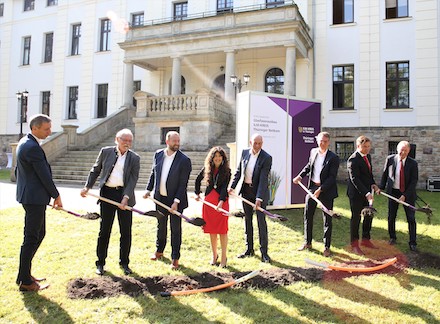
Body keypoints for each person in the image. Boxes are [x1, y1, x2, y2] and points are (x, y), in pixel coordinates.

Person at [80, 129, 140, 276]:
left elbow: (132, 180)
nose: (127, 143)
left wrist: (125, 198)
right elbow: (96, 170)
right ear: (116, 139)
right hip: (107, 194)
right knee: (104, 230)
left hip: (125, 196)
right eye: (124, 140)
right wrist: (87, 187)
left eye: (129, 141)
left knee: (126, 231)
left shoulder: (135, 158)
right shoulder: (105, 152)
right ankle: (100, 263)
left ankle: (124, 263)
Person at [15, 114, 63, 292]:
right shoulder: (31, 147)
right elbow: (43, 174)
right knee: (31, 238)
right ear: (34, 128)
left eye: (50, 128)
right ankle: (25, 281)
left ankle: (24, 274)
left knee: (38, 234)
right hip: (34, 199)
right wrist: (56, 195)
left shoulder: (26, 142)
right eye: (46, 129)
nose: (50, 132)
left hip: (31, 196)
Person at [143, 131, 192, 270]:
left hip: (176, 200)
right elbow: (154, 173)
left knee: (175, 229)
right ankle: (159, 251)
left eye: (178, 141)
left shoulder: (184, 160)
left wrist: (176, 202)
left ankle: (175, 258)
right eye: (174, 141)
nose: (177, 143)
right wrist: (148, 189)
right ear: (167, 141)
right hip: (160, 199)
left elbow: (183, 184)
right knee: (161, 226)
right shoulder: (158, 154)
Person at [293, 132, 340, 257]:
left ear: (328, 142)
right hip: (312, 188)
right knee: (308, 215)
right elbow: (309, 166)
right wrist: (300, 176)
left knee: (327, 219)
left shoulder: (333, 158)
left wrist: (321, 189)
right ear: (317, 141)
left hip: (326, 190)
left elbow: (332, 177)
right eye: (320, 141)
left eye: (325, 141)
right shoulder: (313, 152)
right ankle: (307, 242)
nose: (322, 143)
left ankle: (327, 247)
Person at [229, 133, 272, 263]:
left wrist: (259, 198)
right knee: (247, 220)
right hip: (246, 191)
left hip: (260, 193)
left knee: (260, 221)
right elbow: (238, 171)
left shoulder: (266, 158)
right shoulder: (244, 153)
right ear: (250, 142)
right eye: (255, 143)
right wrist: (232, 186)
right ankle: (249, 249)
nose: (257, 146)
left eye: (260, 143)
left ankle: (264, 252)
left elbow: (264, 179)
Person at [195, 147, 231, 268]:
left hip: (222, 203)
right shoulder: (207, 169)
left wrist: (221, 202)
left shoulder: (227, 171)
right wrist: (197, 193)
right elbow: (197, 180)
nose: (217, 158)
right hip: (209, 204)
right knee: (211, 229)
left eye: (220, 156)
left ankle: (223, 257)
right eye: (215, 156)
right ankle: (214, 255)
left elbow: (224, 187)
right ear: (212, 158)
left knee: (222, 230)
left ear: (223, 158)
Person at [379, 141, 419, 251]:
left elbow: (414, 181)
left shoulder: (413, 163)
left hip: (408, 194)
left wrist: (405, 195)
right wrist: (380, 187)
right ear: (397, 149)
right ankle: (392, 237)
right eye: (401, 150)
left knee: (411, 218)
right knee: (391, 217)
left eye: (405, 150)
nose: (403, 152)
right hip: (393, 192)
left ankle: (412, 242)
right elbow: (385, 174)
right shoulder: (390, 159)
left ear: (409, 151)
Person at [347, 135, 380, 255]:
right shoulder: (353, 159)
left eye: (368, 147)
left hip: (367, 193)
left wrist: (374, 184)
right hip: (356, 194)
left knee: (368, 216)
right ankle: (354, 245)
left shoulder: (368, 157)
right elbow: (355, 179)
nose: (367, 149)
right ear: (358, 146)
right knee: (356, 218)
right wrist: (366, 193)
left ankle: (366, 240)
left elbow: (368, 175)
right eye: (364, 147)